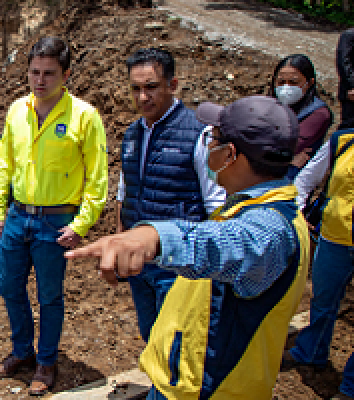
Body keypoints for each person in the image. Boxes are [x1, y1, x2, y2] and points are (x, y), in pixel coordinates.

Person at [67, 95, 309, 399]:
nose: (208, 145)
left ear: (230, 154)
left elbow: (225, 245)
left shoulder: (271, 228)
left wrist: (154, 237)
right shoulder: (250, 207)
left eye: (214, 139)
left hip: (208, 390)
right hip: (185, 382)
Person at [0, 37, 108, 396]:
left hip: (55, 222)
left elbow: (97, 177)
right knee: (9, 287)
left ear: (65, 75)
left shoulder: (84, 117)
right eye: (34, 72)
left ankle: (46, 362)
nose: (40, 80)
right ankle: (22, 351)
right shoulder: (16, 111)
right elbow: (4, 164)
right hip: (17, 216)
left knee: (49, 296)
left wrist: (81, 224)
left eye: (49, 73)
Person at [117, 48, 225, 343]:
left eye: (151, 87)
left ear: (172, 84)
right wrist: (121, 244)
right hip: (141, 262)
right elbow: (125, 192)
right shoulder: (132, 135)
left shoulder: (199, 134)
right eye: (135, 89)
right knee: (151, 336)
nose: (143, 97)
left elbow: (215, 202)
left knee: (178, 342)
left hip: (178, 264)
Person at [283, 127, 354, 374]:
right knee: (323, 300)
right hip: (335, 239)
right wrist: (298, 212)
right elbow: (305, 180)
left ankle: (350, 384)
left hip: (336, 239)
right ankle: (310, 352)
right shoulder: (342, 141)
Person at [267, 54, 332, 179]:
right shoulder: (269, 104)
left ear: (309, 83)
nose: (286, 87)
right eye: (281, 82)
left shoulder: (318, 114)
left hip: (291, 178)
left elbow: (288, 146)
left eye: (293, 82)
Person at [337, 28, 354, 130]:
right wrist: (352, 86)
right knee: (348, 129)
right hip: (351, 94)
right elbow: (344, 63)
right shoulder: (349, 35)